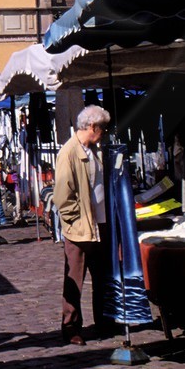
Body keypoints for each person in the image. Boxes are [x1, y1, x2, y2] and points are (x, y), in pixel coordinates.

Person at [54, 104, 114, 344]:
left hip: (100, 225)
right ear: (92, 126)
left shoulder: (96, 151)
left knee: (101, 277)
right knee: (75, 280)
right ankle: (71, 327)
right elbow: (62, 194)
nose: (105, 132)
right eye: (103, 128)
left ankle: (104, 320)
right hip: (80, 228)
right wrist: (74, 219)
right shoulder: (68, 152)